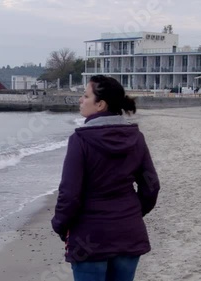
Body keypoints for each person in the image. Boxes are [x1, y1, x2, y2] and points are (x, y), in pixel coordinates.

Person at [51, 75, 160, 281]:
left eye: (85, 96)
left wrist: (60, 225)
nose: (80, 100)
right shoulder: (136, 138)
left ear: (100, 104)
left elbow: (70, 194)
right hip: (128, 231)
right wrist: (132, 213)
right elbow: (151, 185)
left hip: (89, 236)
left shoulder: (80, 140)